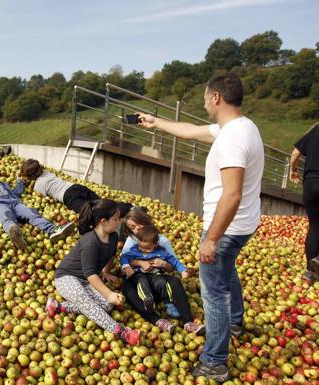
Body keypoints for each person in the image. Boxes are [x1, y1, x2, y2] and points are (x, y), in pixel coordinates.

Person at [137, 72, 264, 382]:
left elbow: (232, 194)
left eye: (206, 97)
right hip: (244, 224)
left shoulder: (232, 138)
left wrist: (211, 239)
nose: (204, 102)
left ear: (216, 97)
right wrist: (157, 123)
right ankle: (234, 323)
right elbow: (192, 131)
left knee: (213, 292)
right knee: (226, 270)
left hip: (227, 227)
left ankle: (215, 361)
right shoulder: (239, 127)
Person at [45, 199, 140, 346]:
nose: (119, 221)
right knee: (84, 298)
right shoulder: (90, 242)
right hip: (66, 277)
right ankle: (121, 332)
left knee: (107, 305)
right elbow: (91, 275)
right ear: (103, 221)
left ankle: (58, 306)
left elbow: (111, 255)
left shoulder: (113, 236)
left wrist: (106, 272)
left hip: (86, 280)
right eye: (115, 219)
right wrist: (109, 293)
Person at [120, 224, 204, 335]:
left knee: (172, 282)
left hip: (156, 277)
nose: (144, 251)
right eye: (141, 247)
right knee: (141, 281)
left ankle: (188, 322)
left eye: (148, 248)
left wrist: (182, 270)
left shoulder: (161, 251)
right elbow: (124, 257)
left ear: (155, 245)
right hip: (138, 277)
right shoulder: (134, 249)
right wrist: (127, 267)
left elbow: (174, 261)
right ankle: (152, 308)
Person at [19, 158, 133, 215]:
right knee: (101, 202)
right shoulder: (46, 172)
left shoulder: (38, 186)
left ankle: (122, 212)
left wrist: (24, 184)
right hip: (76, 187)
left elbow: (43, 198)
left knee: (93, 212)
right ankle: (128, 207)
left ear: (30, 176)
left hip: (68, 196)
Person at [290, 122, 319, 282]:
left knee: (315, 227)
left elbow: (295, 154)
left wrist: (293, 170)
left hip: (310, 183)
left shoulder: (315, 130)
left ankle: (310, 273)